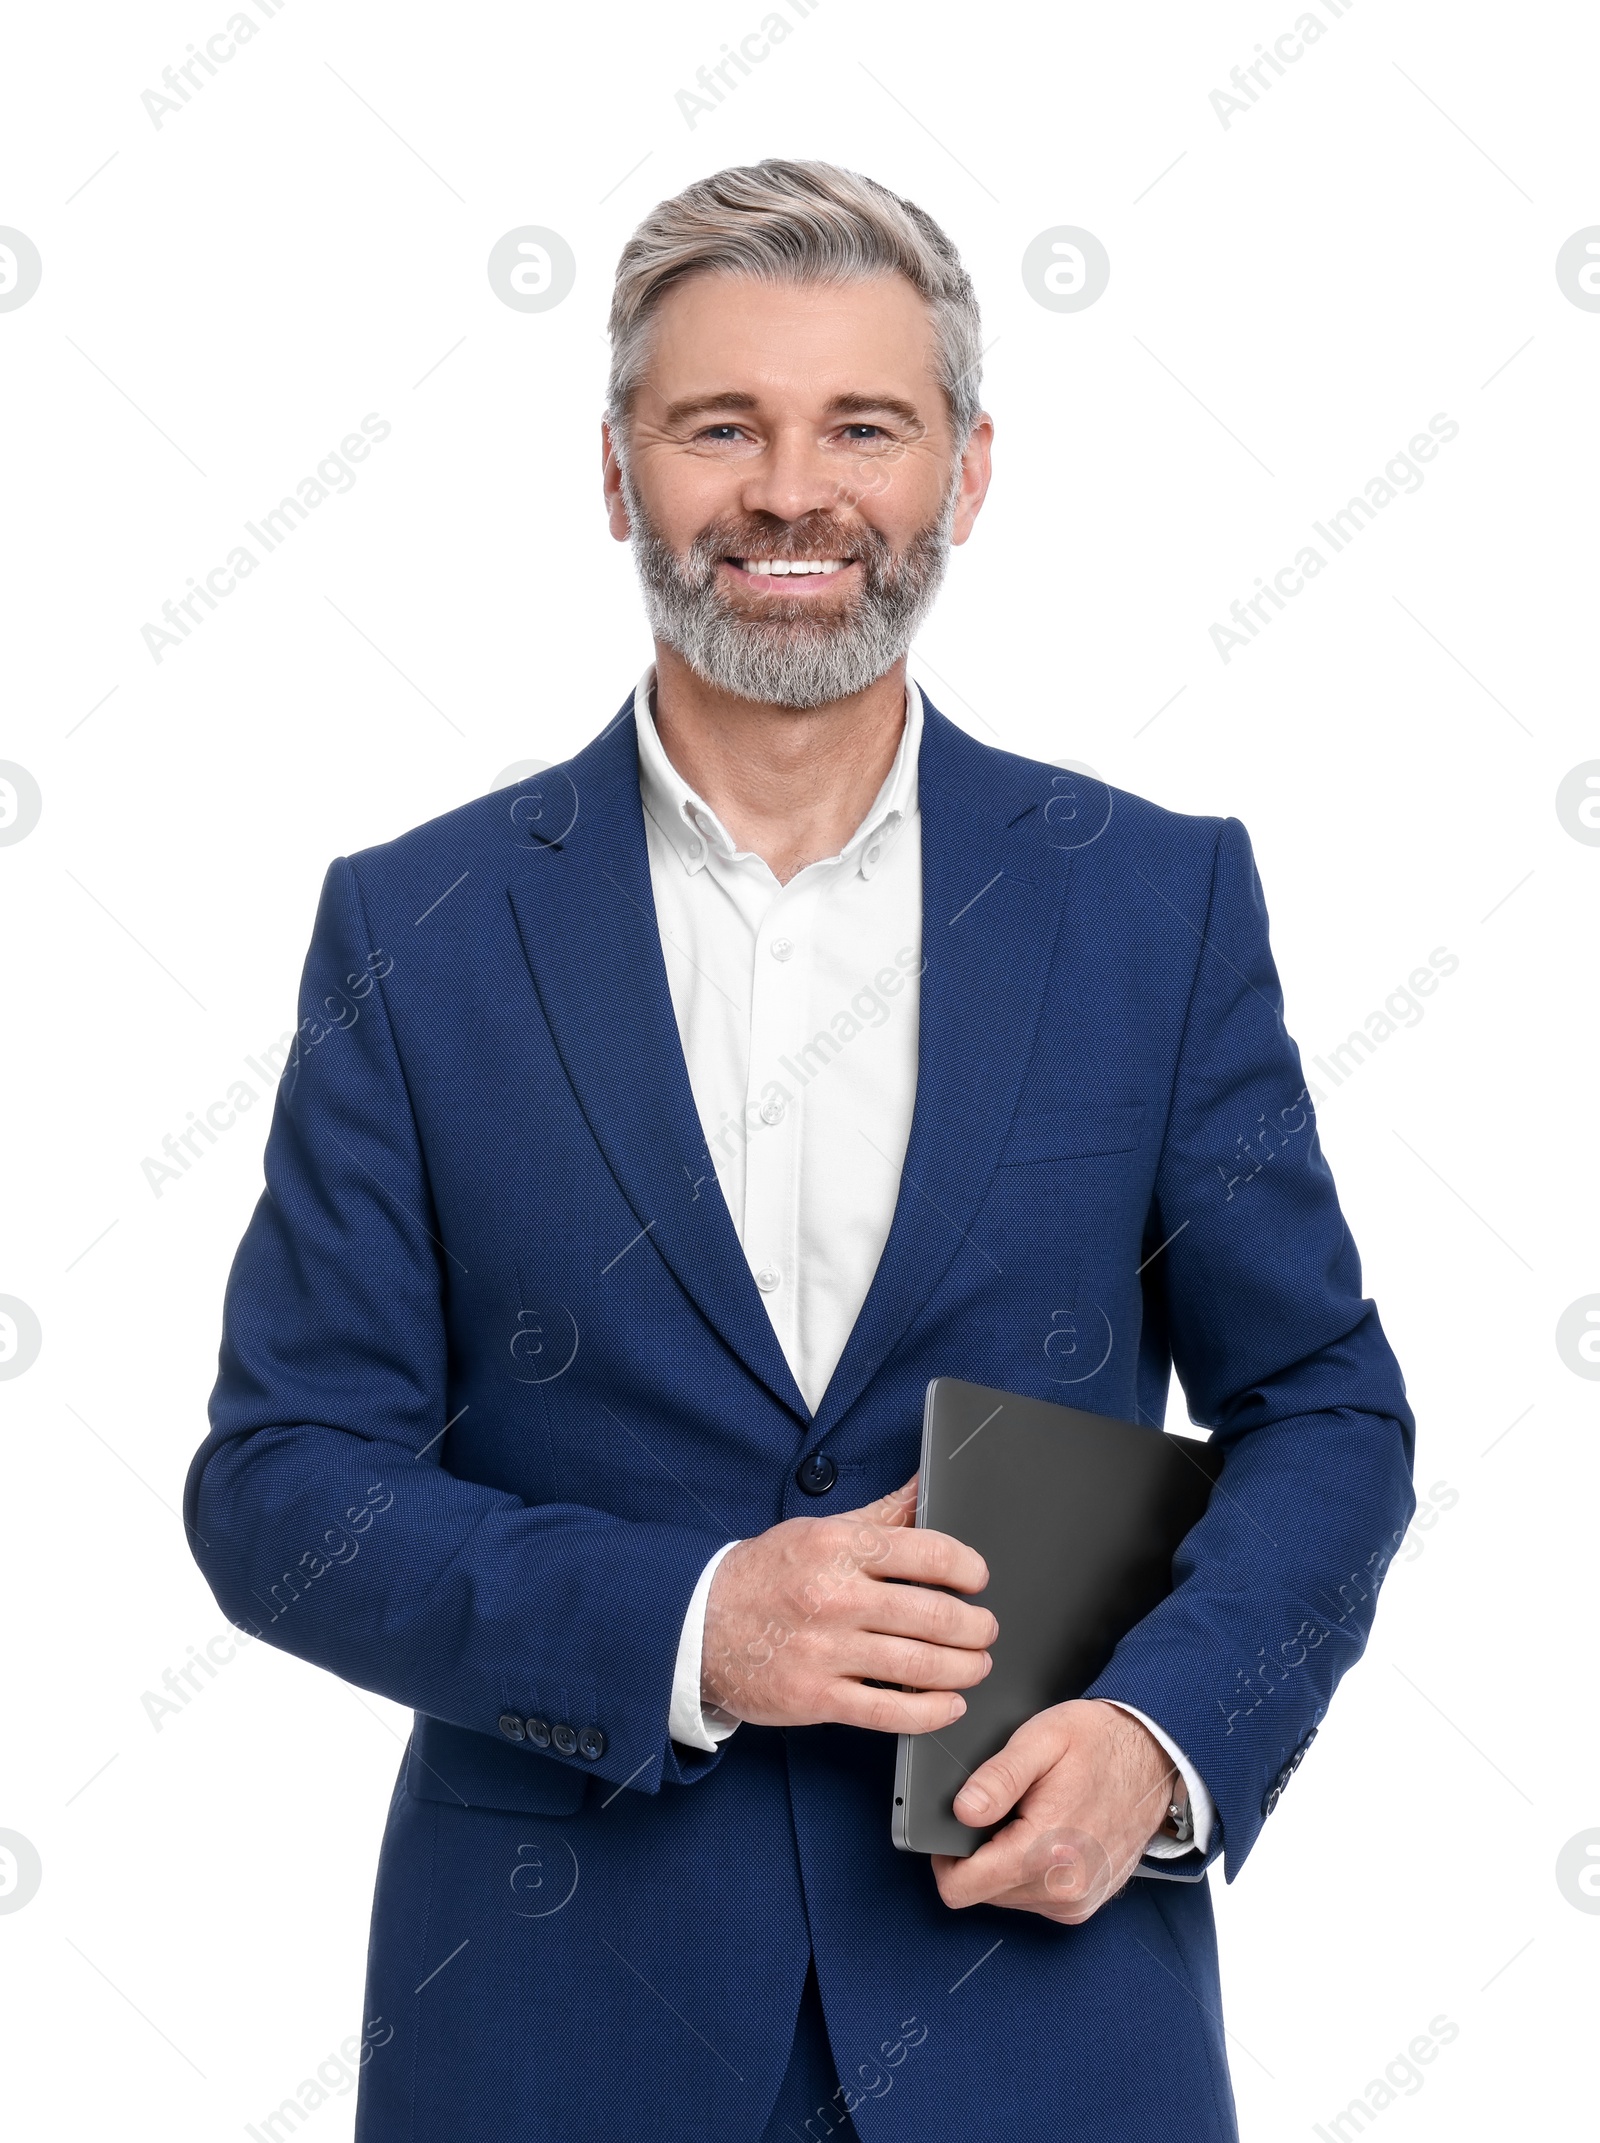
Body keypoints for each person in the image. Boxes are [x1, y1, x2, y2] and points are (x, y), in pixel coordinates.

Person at [185, 159, 1415, 2142]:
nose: (787, 492)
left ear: (966, 468)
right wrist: (689, 1625)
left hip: (1040, 2002)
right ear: (615, 471)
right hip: (550, 2026)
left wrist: (1157, 1729)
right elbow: (277, 1484)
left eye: (862, 424)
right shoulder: (416, 932)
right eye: (716, 425)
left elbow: (1320, 1408)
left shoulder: (1151, 906)